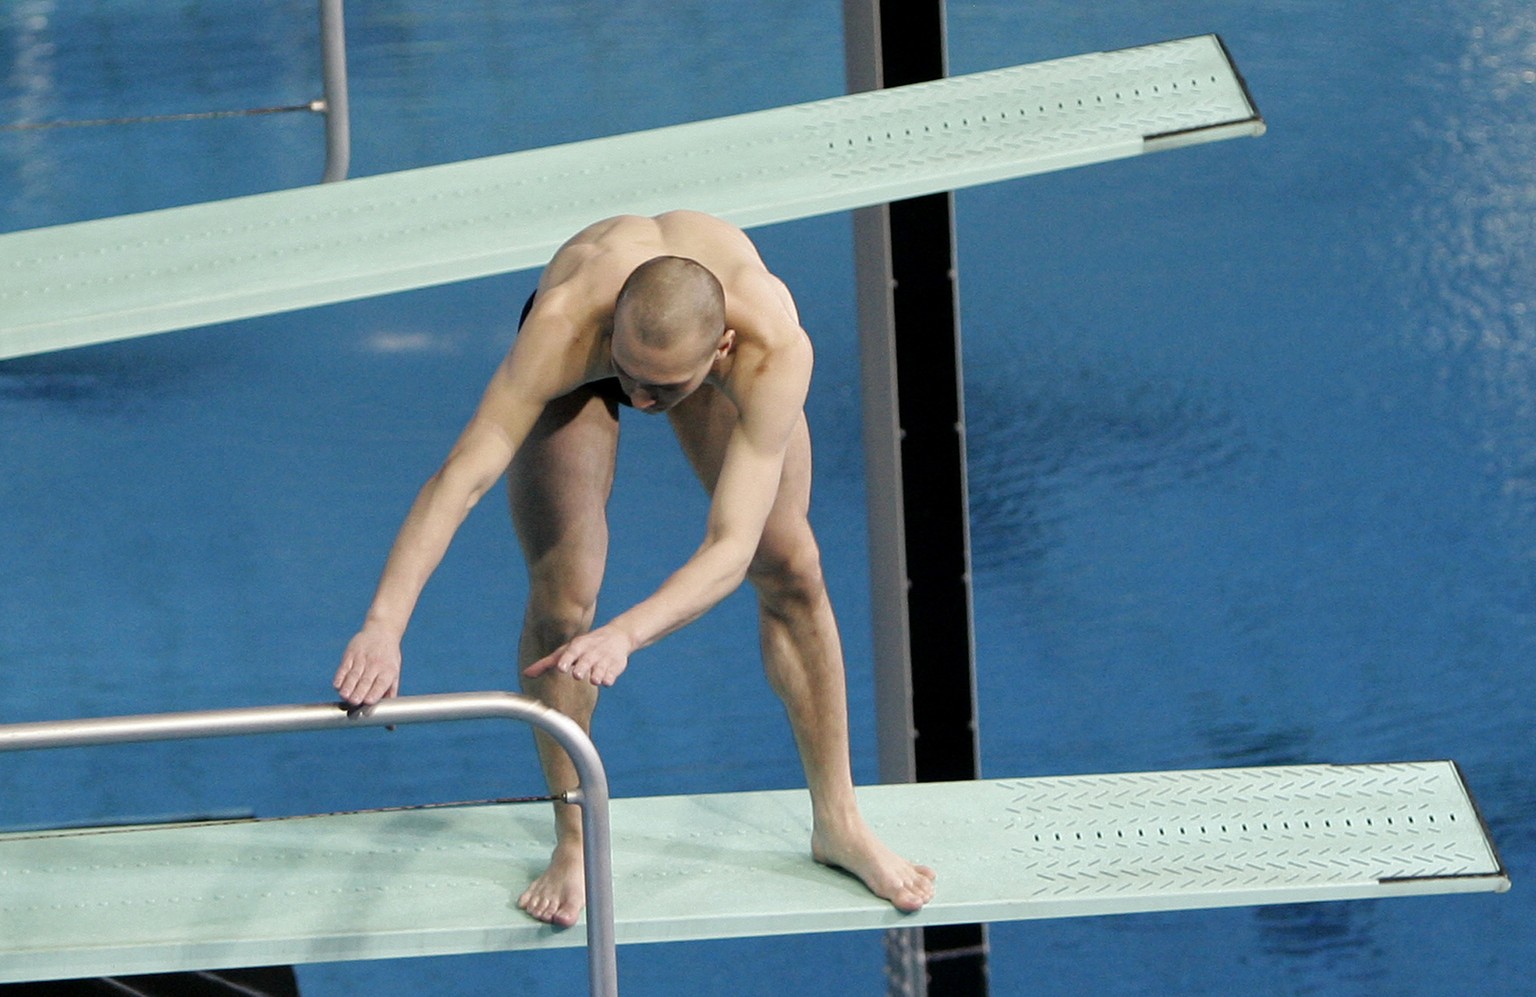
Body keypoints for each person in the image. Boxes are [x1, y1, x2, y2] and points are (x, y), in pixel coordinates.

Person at [333, 210, 936, 927]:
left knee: (791, 566)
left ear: (723, 350)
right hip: (589, 346)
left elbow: (730, 547)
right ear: (612, 331)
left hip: (685, 353)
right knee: (563, 602)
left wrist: (628, 633)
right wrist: (383, 624)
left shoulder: (774, 350)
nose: (642, 402)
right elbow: (461, 478)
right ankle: (573, 836)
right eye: (631, 379)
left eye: (663, 389)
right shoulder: (567, 326)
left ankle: (838, 820)